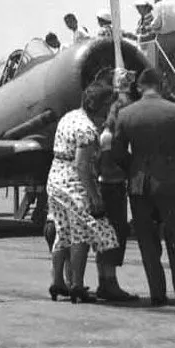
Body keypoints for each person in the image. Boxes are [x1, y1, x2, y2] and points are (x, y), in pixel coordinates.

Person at [113, 67, 175, 306]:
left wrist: (135, 167)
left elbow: (117, 152)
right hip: (172, 184)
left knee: (148, 243)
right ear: (160, 85)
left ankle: (157, 294)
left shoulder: (126, 114)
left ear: (139, 87)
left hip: (140, 185)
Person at [46, 83, 120, 303]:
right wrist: (95, 197)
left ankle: (57, 281)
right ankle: (77, 285)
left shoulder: (68, 117)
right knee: (81, 235)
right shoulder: (87, 130)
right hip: (73, 184)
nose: (108, 110)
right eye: (107, 105)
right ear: (98, 105)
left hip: (55, 181)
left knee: (62, 232)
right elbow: (82, 166)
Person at [95, 69, 139, 302]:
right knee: (115, 232)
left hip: (104, 185)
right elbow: (123, 159)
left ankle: (105, 281)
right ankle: (110, 283)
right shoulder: (114, 136)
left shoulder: (104, 132)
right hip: (113, 187)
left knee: (105, 235)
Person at [134, 0, 157, 67]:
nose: (138, 9)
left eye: (139, 7)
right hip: (142, 48)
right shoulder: (140, 20)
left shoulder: (151, 19)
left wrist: (139, 38)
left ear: (146, 8)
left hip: (149, 49)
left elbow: (152, 35)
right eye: (137, 7)